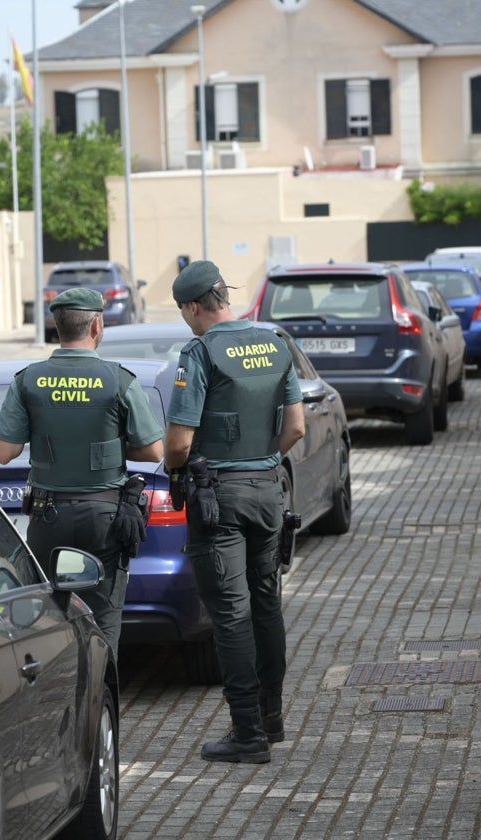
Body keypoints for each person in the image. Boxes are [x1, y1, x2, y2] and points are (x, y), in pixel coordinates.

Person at [164, 260, 305, 764]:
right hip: (269, 491)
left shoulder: (199, 353)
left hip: (219, 497)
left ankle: (246, 733)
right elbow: (296, 428)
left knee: (230, 614)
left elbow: (179, 442)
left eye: (184, 311)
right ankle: (272, 718)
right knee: (266, 605)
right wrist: (261, 459)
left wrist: (173, 466)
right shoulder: (274, 342)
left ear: (195, 306)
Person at [0, 287, 164, 657]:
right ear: (97, 325)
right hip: (104, 516)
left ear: (56, 326)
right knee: (103, 620)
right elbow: (153, 451)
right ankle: (102, 706)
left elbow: (5, 452)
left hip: (47, 516)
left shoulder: (28, 380)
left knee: (50, 617)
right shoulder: (118, 380)